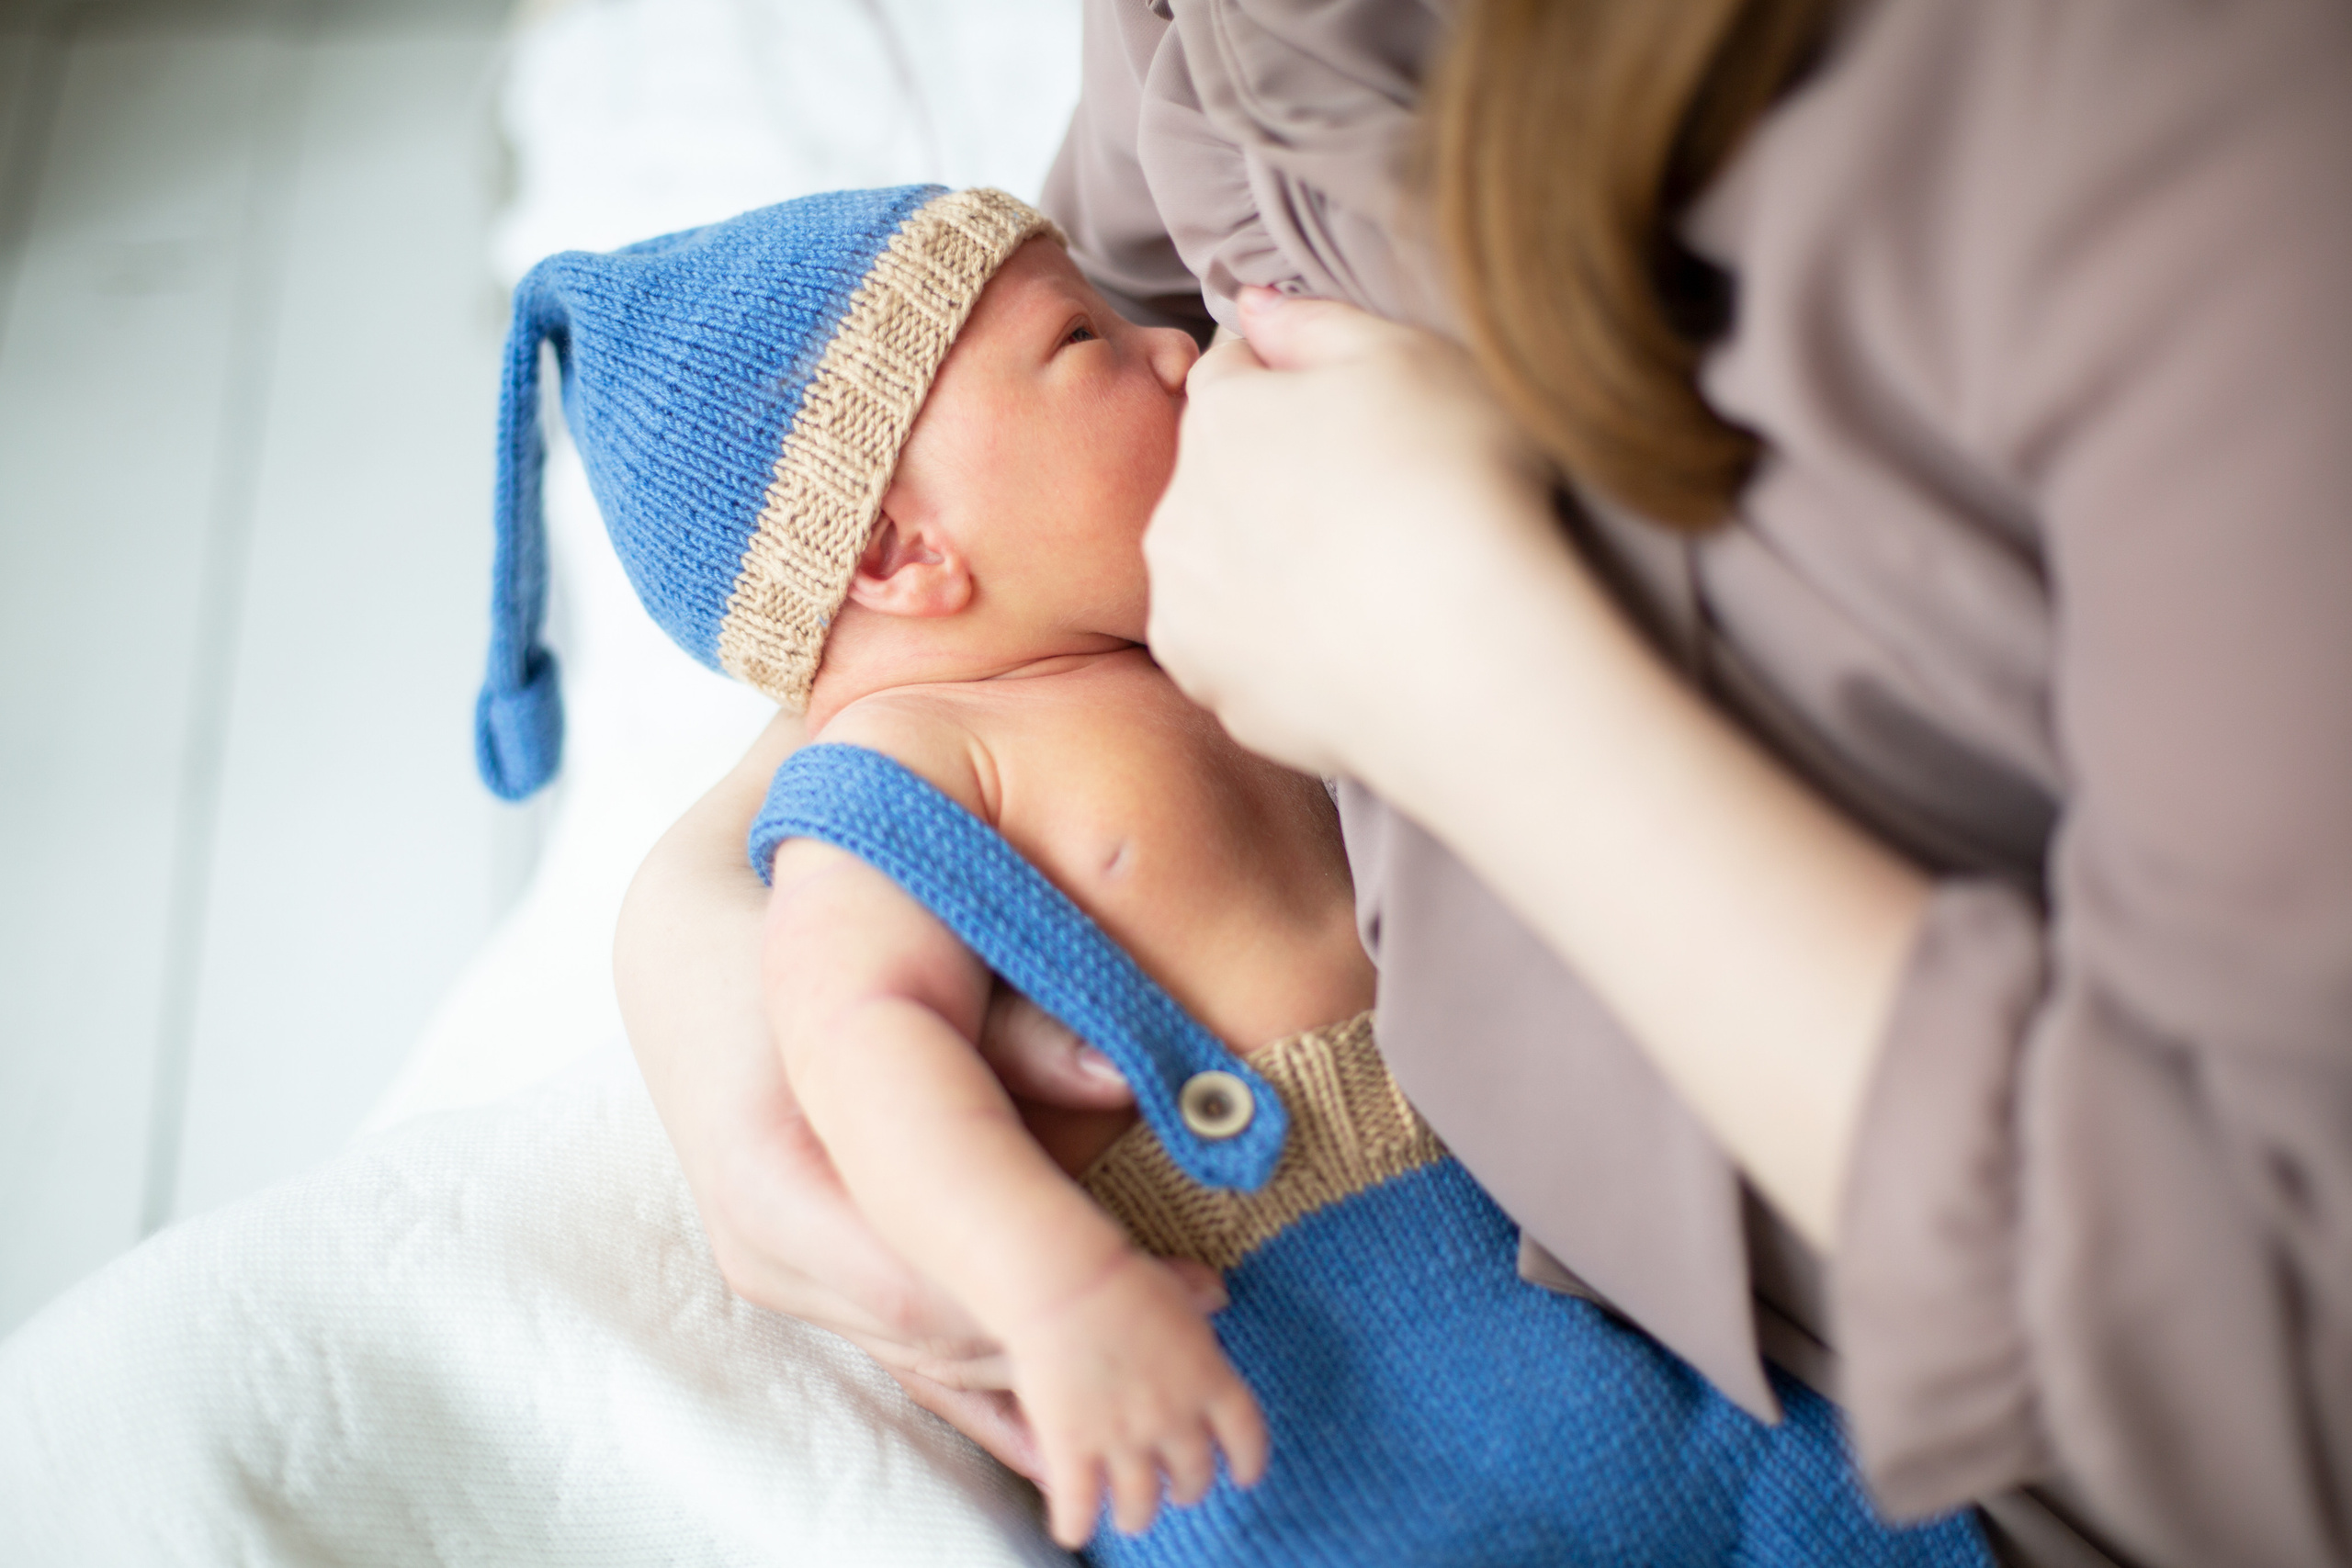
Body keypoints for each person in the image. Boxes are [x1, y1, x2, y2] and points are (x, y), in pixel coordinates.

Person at [618, 2, 2352, 1565]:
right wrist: (701, 954)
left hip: (1906, 1414)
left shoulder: (2184, 146)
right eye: (1093, 343)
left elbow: (2265, 1368)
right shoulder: (1232, 46)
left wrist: (1482, 676)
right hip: (1299, 1366)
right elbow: (897, 886)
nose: (1180, 361)